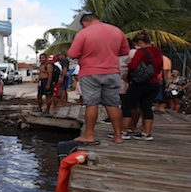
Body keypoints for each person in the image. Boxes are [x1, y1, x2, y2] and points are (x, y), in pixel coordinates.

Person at [67, 13, 129, 144]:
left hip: (90, 73)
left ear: (84, 23)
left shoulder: (83, 33)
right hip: (112, 72)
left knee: (91, 104)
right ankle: (118, 136)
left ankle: (89, 135)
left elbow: (72, 54)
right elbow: (124, 51)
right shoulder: (117, 31)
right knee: (113, 104)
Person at [121, 29, 162, 140]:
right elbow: (159, 67)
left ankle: (124, 131)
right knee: (146, 107)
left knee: (127, 105)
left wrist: (128, 65)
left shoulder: (141, 52)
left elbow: (133, 66)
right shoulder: (157, 51)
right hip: (153, 82)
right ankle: (146, 133)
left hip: (140, 83)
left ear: (140, 42)